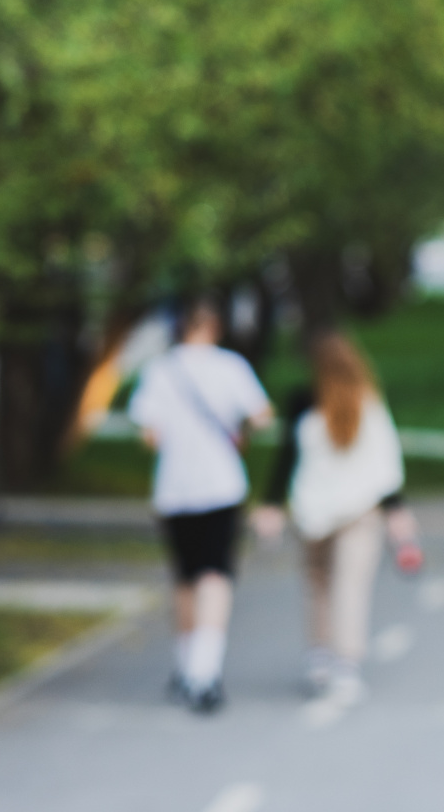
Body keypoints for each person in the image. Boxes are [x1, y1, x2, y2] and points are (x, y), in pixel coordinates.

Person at [253, 331, 422, 705]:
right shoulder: (369, 404)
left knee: (318, 585)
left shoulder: (303, 402)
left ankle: (320, 657)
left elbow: (287, 457)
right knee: (351, 588)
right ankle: (346, 665)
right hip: (359, 511)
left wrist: (271, 503)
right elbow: (385, 466)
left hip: (313, 510)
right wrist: (396, 512)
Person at [128, 298, 274, 714]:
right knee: (216, 575)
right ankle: (205, 672)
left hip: (174, 488)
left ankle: (186, 666)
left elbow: (149, 434)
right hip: (221, 485)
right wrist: (236, 432)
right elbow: (261, 416)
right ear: (215, 328)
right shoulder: (230, 367)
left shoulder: (160, 371)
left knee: (185, 578)